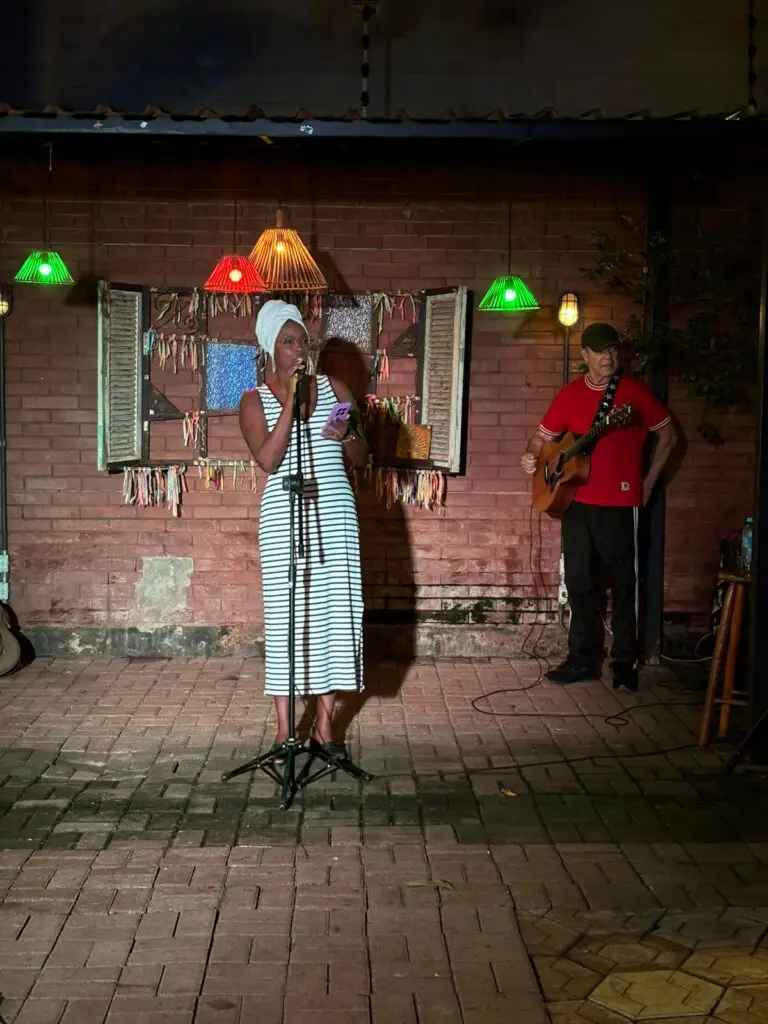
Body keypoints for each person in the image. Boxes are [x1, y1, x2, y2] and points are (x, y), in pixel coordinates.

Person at [239, 299, 369, 760]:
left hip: (335, 512)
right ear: (271, 347)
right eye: (289, 342)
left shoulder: (334, 388)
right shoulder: (254, 399)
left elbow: (360, 457)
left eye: (303, 341)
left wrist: (350, 434)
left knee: (336, 615)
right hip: (284, 515)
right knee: (288, 619)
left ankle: (326, 727)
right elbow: (269, 459)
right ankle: (284, 731)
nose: (299, 349)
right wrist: (292, 398)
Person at [521, 322, 677, 691]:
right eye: (601, 351)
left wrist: (649, 482)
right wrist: (531, 457)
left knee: (623, 583)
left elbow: (668, 435)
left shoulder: (633, 393)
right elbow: (541, 438)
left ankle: (624, 662)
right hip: (575, 502)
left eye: (613, 350)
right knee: (578, 582)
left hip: (620, 503)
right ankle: (582, 660)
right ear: (585, 356)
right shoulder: (570, 395)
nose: (609, 356)